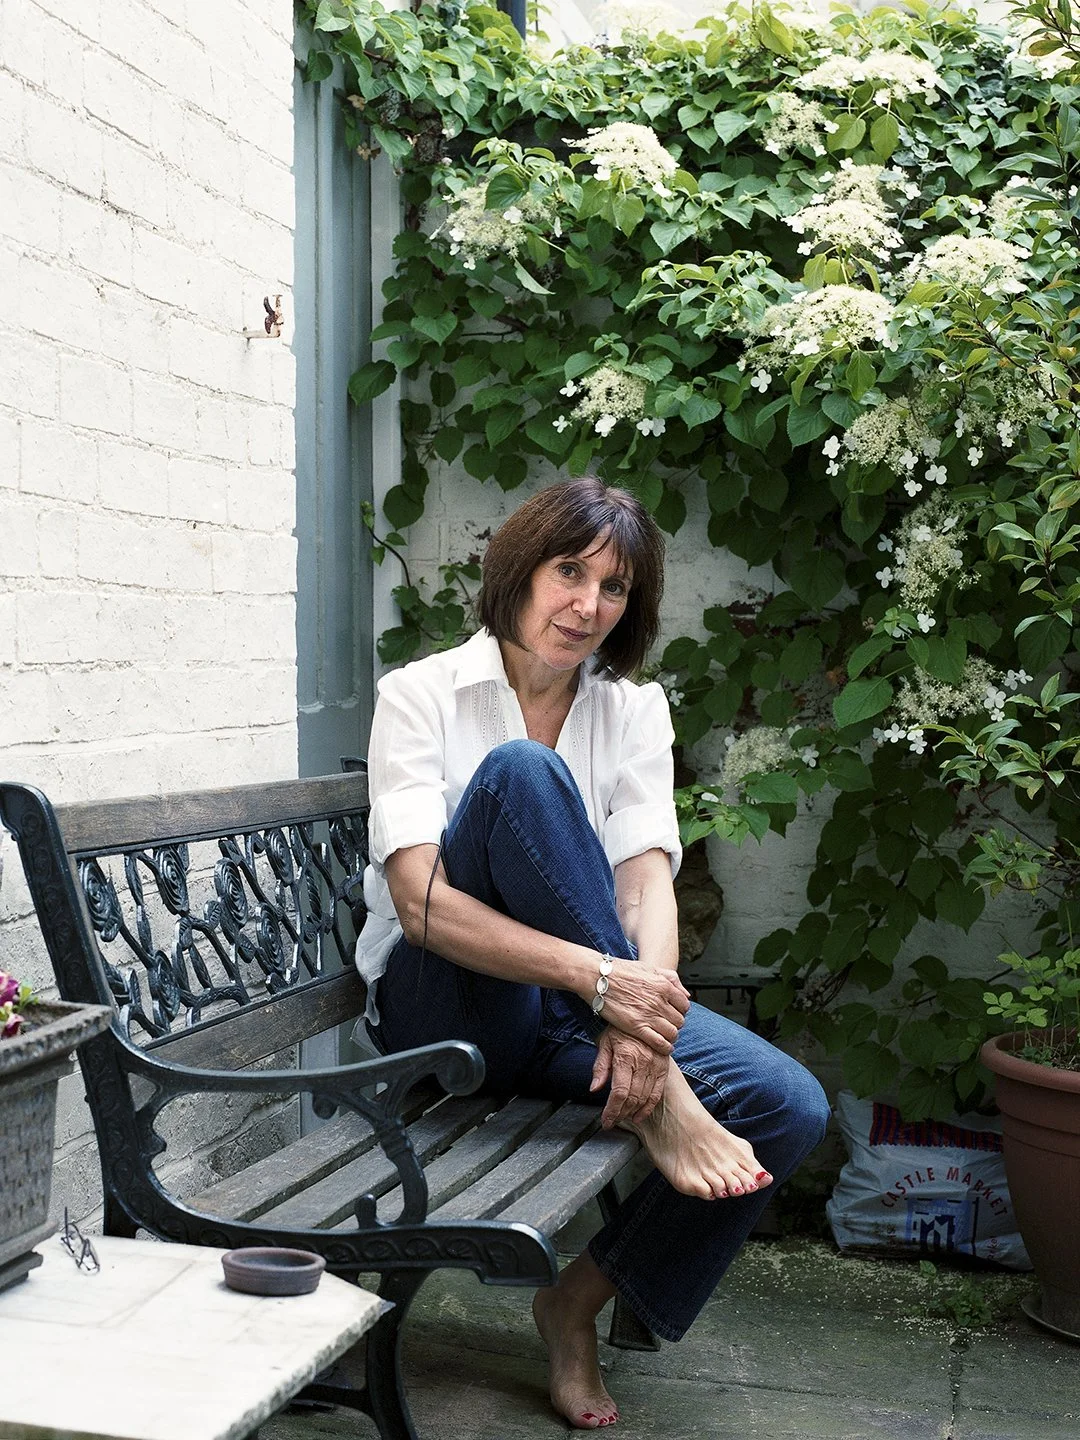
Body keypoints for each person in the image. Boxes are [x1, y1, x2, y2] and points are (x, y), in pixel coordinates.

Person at [356, 476, 830, 1430]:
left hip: (576, 1012)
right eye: (568, 572)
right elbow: (420, 904)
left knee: (788, 1105)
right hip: (444, 1011)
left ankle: (574, 1304)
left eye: (614, 587)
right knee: (522, 775)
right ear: (518, 570)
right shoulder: (420, 695)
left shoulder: (632, 710)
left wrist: (641, 1030)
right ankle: (666, 1099)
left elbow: (647, 883)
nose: (587, 604)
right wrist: (605, 983)